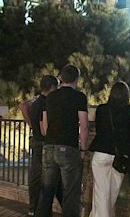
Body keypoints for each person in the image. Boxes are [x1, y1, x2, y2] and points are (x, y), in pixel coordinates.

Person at [36, 64, 89, 217]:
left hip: (49, 146)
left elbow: (45, 127)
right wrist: (83, 149)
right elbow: (84, 126)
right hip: (68, 147)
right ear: (77, 79)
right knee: (71, 193)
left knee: (46, 191)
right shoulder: (79, 97)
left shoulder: (50, 97)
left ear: (61, 78)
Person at [88, 81, 130, 217]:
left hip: (101, 152)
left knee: (101, 193)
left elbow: (98, 129)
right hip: (121, 156)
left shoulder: (102, 109)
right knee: (112, 195)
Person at [20, 75, 62, 217]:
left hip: (35, 141)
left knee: (36, 176)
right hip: (43, 143)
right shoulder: (46, 102)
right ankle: (39, 210)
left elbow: (23, 105)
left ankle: (33, 208)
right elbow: (44, 128)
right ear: (52, 87)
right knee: (47, 178)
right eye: (56, 87)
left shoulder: (36, 101)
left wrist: (31, 125)